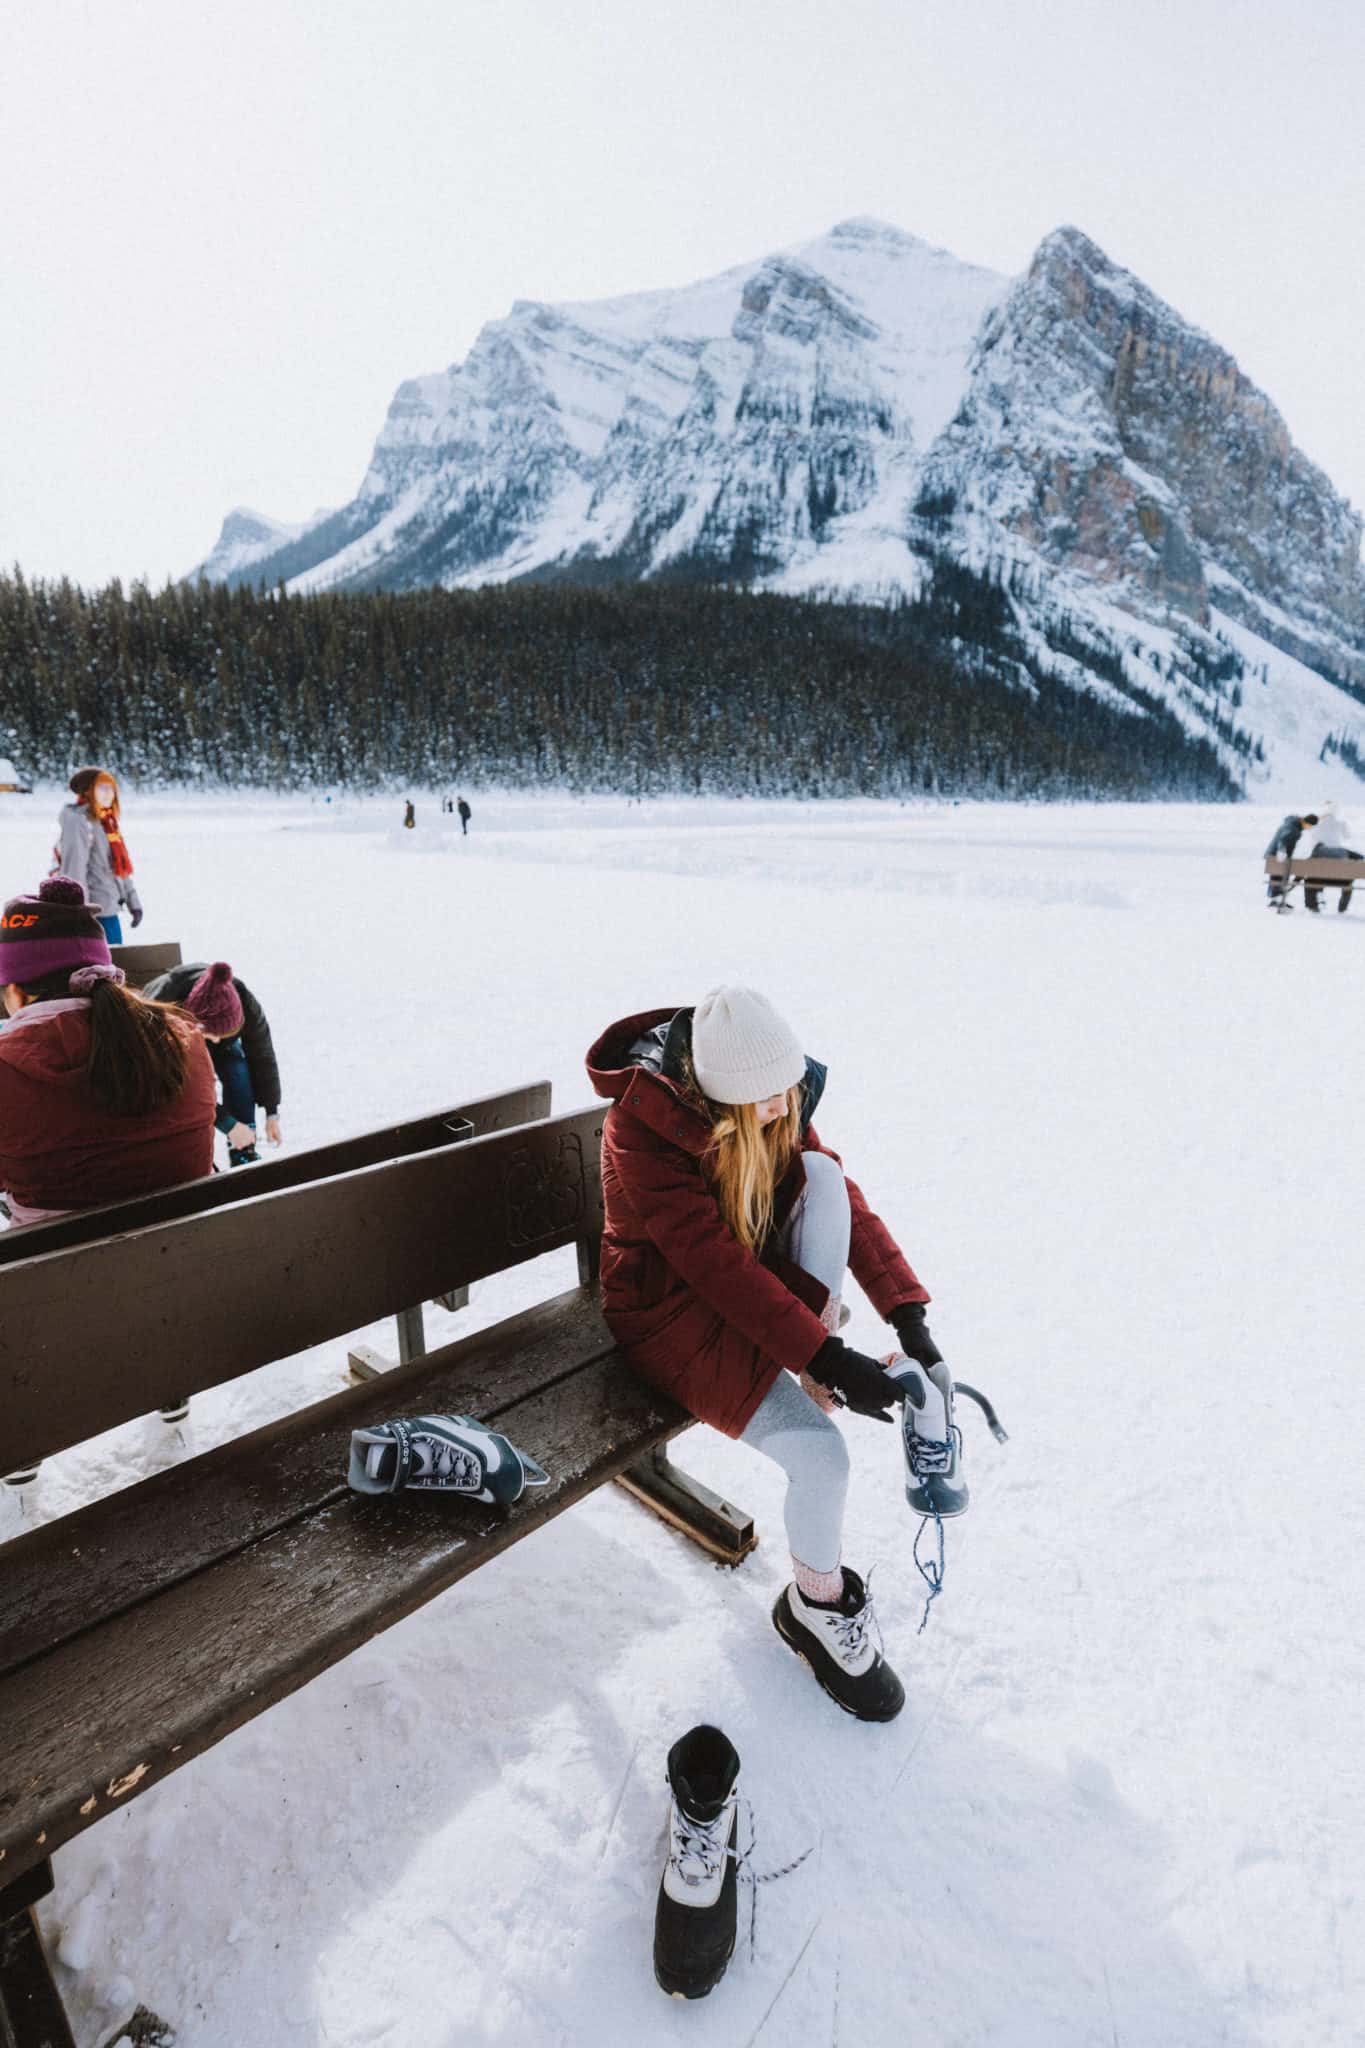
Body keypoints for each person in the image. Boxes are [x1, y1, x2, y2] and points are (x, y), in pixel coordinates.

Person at [586, 986, 947, 1722]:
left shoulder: (766, 1095)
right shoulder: (642, 1132)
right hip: (667, 1312)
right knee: (822, 1457)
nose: (784, 1110)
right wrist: (826, 1357)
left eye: (788, 1092)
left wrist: (908, 1317)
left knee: (820, 1177)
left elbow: (837, 1196)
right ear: (717, 1097)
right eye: (766, 1101)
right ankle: (815, 1609)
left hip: (753, 1285)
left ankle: (807, 1355)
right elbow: (710, 1263)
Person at [0, 877, 216, 1473]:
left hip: (52, 1304)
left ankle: (19, 1440)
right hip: (186, 1281)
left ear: (14, 991)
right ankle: (168, 1387)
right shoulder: (185, 1039)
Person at [143, 960, 283, 1166]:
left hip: (196, 1030)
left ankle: (243, 1147)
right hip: (169, 1047)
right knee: (197, 1077)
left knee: (237, 1066)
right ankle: (237, 1133)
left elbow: (262, 1054)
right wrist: (228, 1124)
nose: (216, 1041)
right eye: (212, 1035)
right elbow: (182, 1087)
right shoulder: (160, 1012)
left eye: (222, 1035)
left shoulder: (245, 1003)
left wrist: (272, 1112)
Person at [56, 768, 144, 942]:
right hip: (94, 910)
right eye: (102, 788)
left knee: (114, 962)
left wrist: (133, 902)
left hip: (109, 905)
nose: (108, 793)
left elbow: (118, 867)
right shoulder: (80, 821)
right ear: (88, 791)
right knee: (106, 963)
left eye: (111, 788)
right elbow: (75, 868)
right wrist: (81, 911)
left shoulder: (106, 822)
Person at [1303, 801, 1363, 914]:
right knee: (1349, 882)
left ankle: (1312, 906)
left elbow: (1311, 836)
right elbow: (1348, 837)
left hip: (1318, 877)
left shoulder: (1317, 827)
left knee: (1310, 878)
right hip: (1341, 879)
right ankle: (1342, 908)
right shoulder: (1340, 826)